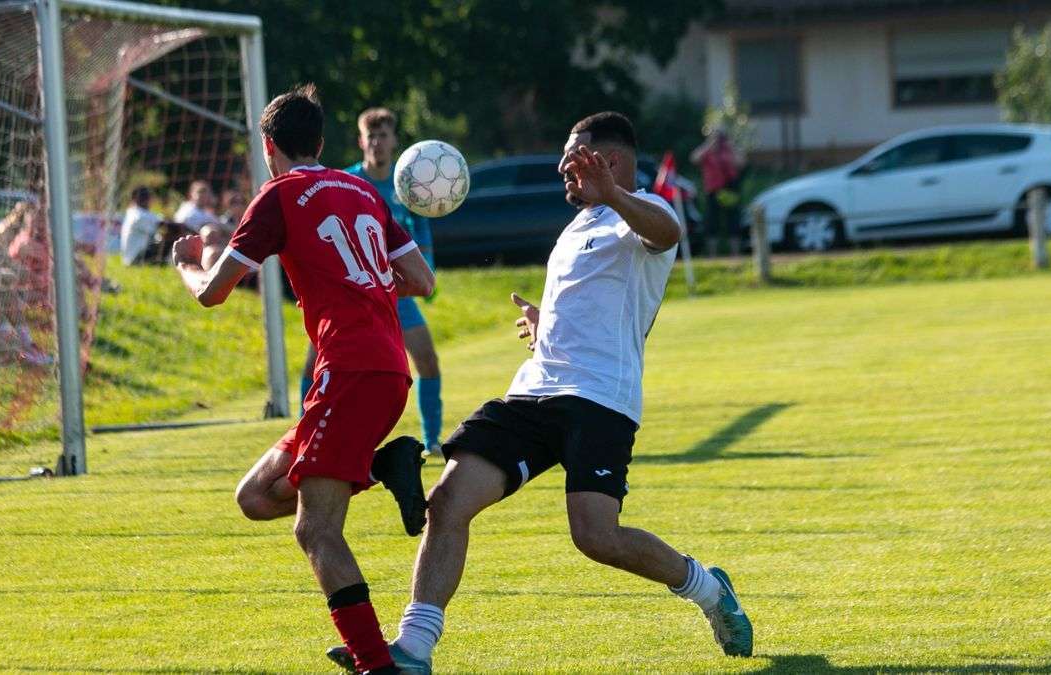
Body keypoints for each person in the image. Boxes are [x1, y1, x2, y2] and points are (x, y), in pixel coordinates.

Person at [330, 113, 754, 673]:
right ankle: (414, 648)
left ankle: (707, 589)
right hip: (535, 391)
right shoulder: (576, 227)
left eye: (574, 158)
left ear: (611, 162)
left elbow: (666, 233)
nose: (561, 169)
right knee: (449, 502)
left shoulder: (645, 211)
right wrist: (545, 323)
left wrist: (615, 194)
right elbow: (590, 303)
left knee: (596, 537)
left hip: (601, 399)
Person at [171, 84, 436, 675]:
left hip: (347, 372)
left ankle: (377, 663)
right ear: (321, 142)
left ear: (270, 146)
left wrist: (189, 263)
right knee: (255, 496)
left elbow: (214, 293)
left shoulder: (278, 195)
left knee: (316, 529)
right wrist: (366, 284)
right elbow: (421, 279)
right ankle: (383, 467)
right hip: (387, 369)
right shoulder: (362, 190)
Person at [298, 107, 445, 453]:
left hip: (396, 291)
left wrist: (428, 272)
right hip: (351, 291)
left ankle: (432, 441)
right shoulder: (343, 181)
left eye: (384, 135)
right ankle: (303, 431)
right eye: (371, 136)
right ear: (361, 141)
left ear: (394, 141)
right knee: (315, 361)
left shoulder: (406, 186)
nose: (377, 142)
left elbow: (420, 232)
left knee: (427, 360)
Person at [690, 128, 743, 257]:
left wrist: (732, 146)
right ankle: (712, 255)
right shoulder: (707, 150)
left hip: (730, 191)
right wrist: (709, 144)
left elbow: (741, 163)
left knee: (733, 221)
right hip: (713, 191)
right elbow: (694, 158)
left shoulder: (729, 149)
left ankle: (735, 255)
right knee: (712, 222)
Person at [120, 187, 163, 265]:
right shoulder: (137, 216)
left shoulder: (138, 212)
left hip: (138, 255)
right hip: (135, 258)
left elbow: (159, 221)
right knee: (168, 238)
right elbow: (160, 227)